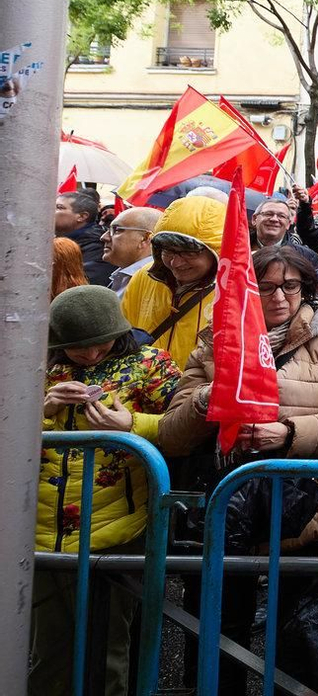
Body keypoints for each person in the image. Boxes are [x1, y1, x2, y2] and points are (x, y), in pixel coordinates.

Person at [159, 243, 318, 690]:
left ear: (306, 289)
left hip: (304, 513)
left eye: (290, 286)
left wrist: (289, 432)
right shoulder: (214, 343)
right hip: (224, 514)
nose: (278, 297)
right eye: (266, 287)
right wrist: (209, 398)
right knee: (216, 634)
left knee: (296, 637)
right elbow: (171, 434)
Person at [34, 287, 180, 696]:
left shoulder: (151, 364)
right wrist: (41, 408)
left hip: (119, 529)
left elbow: (181, 429)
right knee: (47, 648)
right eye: (79, 350)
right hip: (39, 531)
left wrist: (132, 425)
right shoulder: (32, 366)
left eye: (102, 345)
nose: (92, 356)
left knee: (108, 647)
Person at [120, 196, 224, 371]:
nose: (175, 263)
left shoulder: (235, 291)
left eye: (188, 253)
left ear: (215, 252)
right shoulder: (144, 277)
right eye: (168, 251)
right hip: (142, 389)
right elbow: (124, 338)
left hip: (194, 394)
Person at [56, 189, 113, 286]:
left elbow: (79, 285)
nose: (51, 211)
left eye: (59, 207)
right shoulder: (51, 239)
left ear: (82, 216)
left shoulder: (97, 247)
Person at [102, 206, 160, 295]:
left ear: (145, 238)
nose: (103, 237)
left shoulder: (154, 283)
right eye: (107, 230)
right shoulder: (125, 276)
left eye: (116, 230)